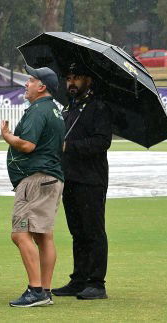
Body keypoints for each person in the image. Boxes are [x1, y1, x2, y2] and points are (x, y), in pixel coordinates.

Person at [0, 65, 65, 308]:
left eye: (30, 80)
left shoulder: (38, 110)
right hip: (52, 178)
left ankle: (35, 290)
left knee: (19, 233)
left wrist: (7, 137)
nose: (26, 84)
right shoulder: (55, 110)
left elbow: (27, 145)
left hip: (36, 179)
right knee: (44, 235)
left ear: (42, 86)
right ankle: (45, 291)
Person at [51, 62, 112, 301]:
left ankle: (97, 282)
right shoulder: (70, 108)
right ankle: (79, 279)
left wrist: (70, 146)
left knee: (93, 231)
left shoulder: (99, 107)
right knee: (77, 231)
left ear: (89, 80)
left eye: (76, 78)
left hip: (92, 179)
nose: (71, 83)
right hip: (71, 178)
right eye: (68, 78)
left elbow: (101, 142)